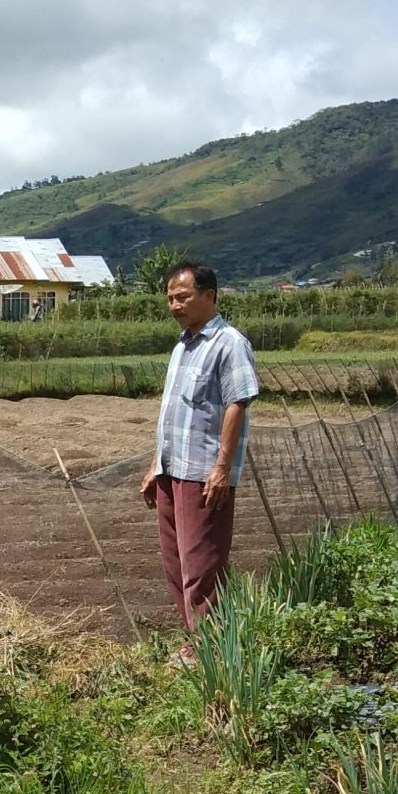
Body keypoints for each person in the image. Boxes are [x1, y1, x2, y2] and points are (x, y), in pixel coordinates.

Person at [139, 260, 258, 631]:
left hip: (203, 473)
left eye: (183, 297)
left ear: (209, 296)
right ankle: (196, 639)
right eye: (170, 299)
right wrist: (155, 466)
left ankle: (209, 645)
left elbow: (237, 404)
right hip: (172, 469)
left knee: (201, 562)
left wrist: (222, 468)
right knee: (175, 562)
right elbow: (173, 412)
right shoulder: (182, 347)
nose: (175, 305)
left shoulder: (230, 344)